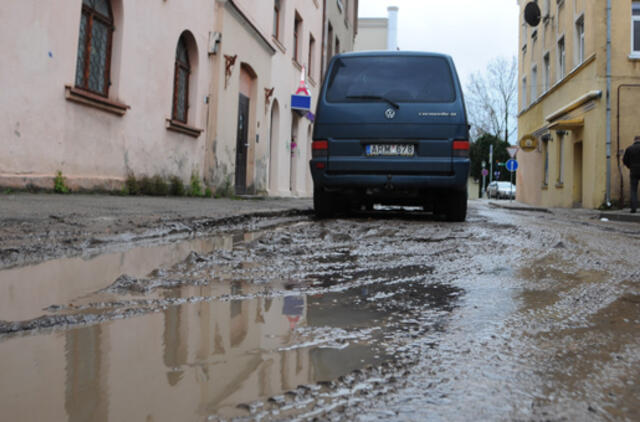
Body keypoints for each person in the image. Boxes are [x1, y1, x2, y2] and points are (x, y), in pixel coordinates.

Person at [623, 135, 640, 213]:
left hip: (633, 170)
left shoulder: (629, 149)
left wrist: (630, 166)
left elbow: (625, 160)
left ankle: (633, 208)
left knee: (633, 189)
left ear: (634, 140)